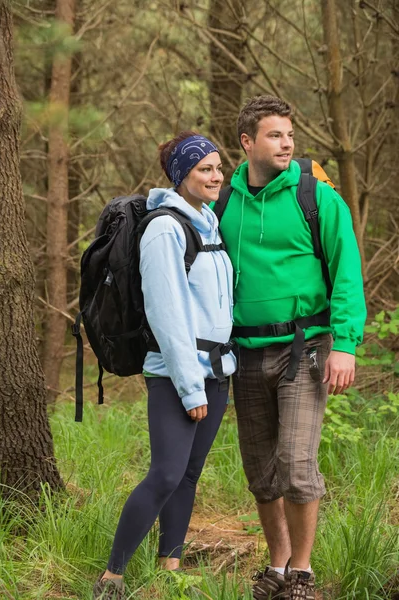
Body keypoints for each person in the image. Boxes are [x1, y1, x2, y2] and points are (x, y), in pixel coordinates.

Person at [216, 95, 366, 600]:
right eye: (275, 135)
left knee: (297, 465)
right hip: (245, 353)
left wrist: (344, 344)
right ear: (247, 142)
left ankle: (301, 572)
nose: (286, 143)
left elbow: (346, 270)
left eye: (289, 135)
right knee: (261, 473)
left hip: (306, 348)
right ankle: (277, 566)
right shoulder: (226, 201)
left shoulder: (315, 195)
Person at [93, 132, 236, 599]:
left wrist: (216, 373)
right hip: (179, 373)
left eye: (218, 167)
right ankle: (112, 577)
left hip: (217, 370)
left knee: (190, 474)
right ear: (181, 175)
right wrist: (190, 387)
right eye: (204, 169)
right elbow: (167, 312)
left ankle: (169, 570)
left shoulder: (208, 220)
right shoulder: (165, 229)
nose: (215, 176)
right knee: (167, 473)